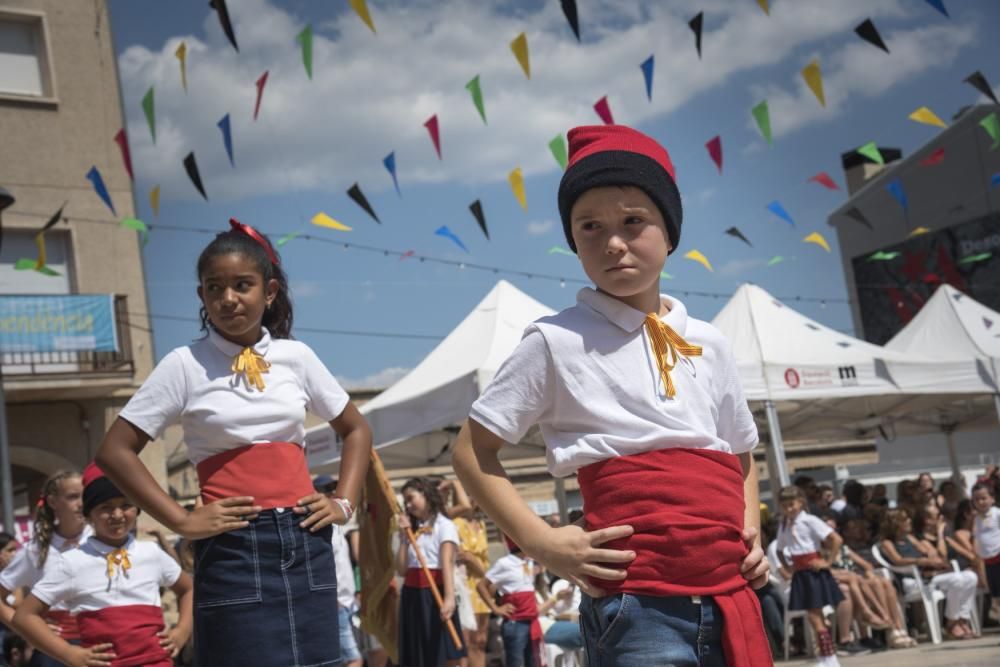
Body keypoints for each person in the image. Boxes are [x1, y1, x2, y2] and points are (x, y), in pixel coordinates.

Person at [453, 124, 769, 667]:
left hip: (729, 594)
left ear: (669, 232)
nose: (613, 242)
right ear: (572, 241)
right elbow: (471, 451)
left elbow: (739, 451)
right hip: (634, 604)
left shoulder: (710, 342)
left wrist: (753, 533)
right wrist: (543, 542)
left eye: (633, 221)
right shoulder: (555, 340)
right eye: (590, 226)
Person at [94, 219, 372, 667]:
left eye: (243, 285)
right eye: (213, 287)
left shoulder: (295, 357)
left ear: (270, 291)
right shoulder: (184, 364)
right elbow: (114, 451)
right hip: (233, 547)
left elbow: (356, 429)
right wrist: (181, 520)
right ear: (201, 296)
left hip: (306, 538)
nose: (228, 298)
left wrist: (343, 503)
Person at [11, 463, 193, 666]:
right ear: (88, 515)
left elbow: (188, 589)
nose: (117, 515)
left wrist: (182, 631)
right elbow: (25, 617)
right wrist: (69, 654)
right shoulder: (72, 562)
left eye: (125, 505)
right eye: (106, 507)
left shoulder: (151, 553)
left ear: (137, 509)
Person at [0, 471, 91, 667]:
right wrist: (25, 628)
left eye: (85, 495)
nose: (81, 503)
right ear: (52, 502)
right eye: (73, 497)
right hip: (53, 648)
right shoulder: (36, 549)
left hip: (101, 640)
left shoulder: (101, 539)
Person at [396, 477, 466, 666]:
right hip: (411, 596)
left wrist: (449, 598)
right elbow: (402, 569)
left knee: (441, 653)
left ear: (426, 494)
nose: (409, 505)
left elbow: (447, 564)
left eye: (411, 498)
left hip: (434, 593)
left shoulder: (445, 525)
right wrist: (404, 538)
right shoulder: (412, 530)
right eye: (406, 502)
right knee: (417, 655)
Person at [879, 508, 979, 640]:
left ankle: (960, 620)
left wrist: (932, 553)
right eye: (905, 519)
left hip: (928, 578)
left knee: (970, 577)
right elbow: (897, 560)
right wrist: (920, 560)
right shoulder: (887, 543)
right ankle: (952, 624)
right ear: (895, 524)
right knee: (956, 581)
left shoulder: (910, 538)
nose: (909, 521)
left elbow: (928, 552)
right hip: (911, 581)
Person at [775, 486, 846, 666]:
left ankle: (829, 658)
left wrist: (827, 562)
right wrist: (788, 567)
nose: (789, 509)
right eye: (785, 506)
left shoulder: (810, 520)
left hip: (813, 572)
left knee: (815, 618)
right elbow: (780, 549)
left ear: (800, 503)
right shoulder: (784, 524)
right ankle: (827, 657)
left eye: (792, 504)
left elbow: (836, 539)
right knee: (816, 617)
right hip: (800, 574)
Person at [477, 536, 542, 667]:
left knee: (533, 662)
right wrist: (495, 608)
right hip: (515, 623)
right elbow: (481, 585)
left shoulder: (529, 562)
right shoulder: (504, 563)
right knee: (516, 663)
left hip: (531, 621)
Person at [453, 495, 491, 667]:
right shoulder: (457, 524)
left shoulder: (481, 525)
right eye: (468, 494)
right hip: (467, 584)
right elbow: (464, 556)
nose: (473, 499)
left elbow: (477, 558)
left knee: (481, 640)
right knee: (469, 639)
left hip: (482, 585)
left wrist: (482, 570)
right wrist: (484, 572)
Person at [971, 482, 1000, 618]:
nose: (980, 502)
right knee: (996, 596)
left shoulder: (997, 514)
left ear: (992, 498)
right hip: (988, 562)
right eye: (977, 499)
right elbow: (977, 538)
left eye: (983, 498)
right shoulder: (976, 519)